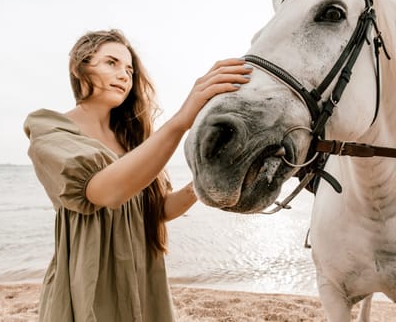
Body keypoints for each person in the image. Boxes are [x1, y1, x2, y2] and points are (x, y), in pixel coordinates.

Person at [23, 29, 252, 321]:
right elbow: (104, 192)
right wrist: (181, 121)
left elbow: (159, 211)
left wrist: (205, 179)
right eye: (111, 63)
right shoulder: (51, 130)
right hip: (90, 279)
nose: (124, 75)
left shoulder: (134, 140)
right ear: (79, 68)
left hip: (143, 274)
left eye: (129, 69)